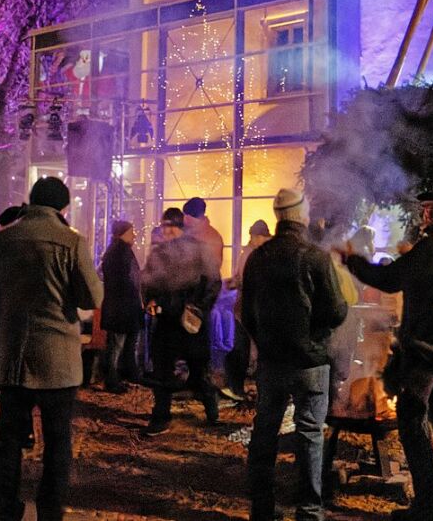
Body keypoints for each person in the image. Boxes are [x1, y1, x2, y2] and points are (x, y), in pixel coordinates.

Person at [343, 188, 433, 521]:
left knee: (411, 417)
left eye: (431, 210)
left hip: (428, 347)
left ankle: (427, 501)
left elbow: (389, 279)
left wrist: (351, 259)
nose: (425, 217)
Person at [0, 177, 103, 521]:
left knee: (9, 442)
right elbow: (91, 298)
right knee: (57, 442)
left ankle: (6, 509)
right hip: (59, 361)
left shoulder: (0, 241)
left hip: (13, 358)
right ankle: (50, 512)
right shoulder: (71, 242)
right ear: (63, 207)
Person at [241, 189, 348, 521]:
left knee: (265, 431)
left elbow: (246, 313)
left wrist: (265, 342)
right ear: (301, 216)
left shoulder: (257, 258)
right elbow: (335, 311)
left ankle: (261, 508)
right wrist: (316, 336)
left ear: (277, 217)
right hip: (310, 362)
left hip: (272, 361)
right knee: (310, 435)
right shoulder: (315, 257)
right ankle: (309, 511)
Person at [141, 205, 222, 436]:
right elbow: (148, 281)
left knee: (198, 370)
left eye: (171, 227)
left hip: (191, 319)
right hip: (167, 318)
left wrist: (199, 308)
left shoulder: (199, 250)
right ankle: (161, 415)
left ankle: (211, 409)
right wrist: (151, 301)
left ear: (180, 228)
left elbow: (213, 282)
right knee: (162, 370)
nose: (166, 233)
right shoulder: (159, 253)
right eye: (164, 227)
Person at [222, 219, 270, 400]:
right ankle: (238, 386)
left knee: (248, 349)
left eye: (253, 236)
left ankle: (241, 386)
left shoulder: (260, 253)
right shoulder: (251, 252)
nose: (251, 240)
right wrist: (234, 282)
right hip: (248, 309)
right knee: (243, 348)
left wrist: (238, 283)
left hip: (255, 309)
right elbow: (241, 277)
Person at [100, 220, 142, 393]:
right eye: (131, 232)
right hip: (123, 306)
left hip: (119, 305)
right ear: (123, 233)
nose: (134, 235)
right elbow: (130, 279)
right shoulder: (121, 252)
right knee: (116, 346)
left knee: (118, 344)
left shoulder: (114, 251)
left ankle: (118, 376)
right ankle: (111, 380)